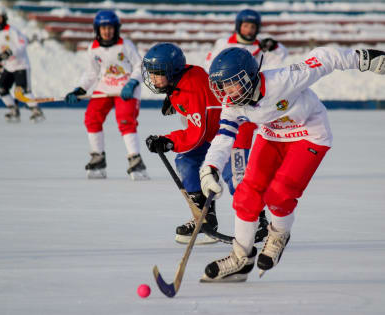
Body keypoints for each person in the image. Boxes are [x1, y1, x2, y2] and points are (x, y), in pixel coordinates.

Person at [198, 46, 385, 282]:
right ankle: (240, 258)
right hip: (272, 135)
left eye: (231, 84)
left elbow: (325, 58)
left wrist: (364, 59)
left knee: (279, 195)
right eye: (221, 86)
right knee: (246, 193)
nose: (226, 93)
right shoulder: (232, 103)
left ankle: (278, 235)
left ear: (249, 77)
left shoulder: (284, 80)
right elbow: (224, 136)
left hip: (310, 133)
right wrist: (210, 168)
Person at [142, 42, 265, 245]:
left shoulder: (193, 89)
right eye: (151, 72)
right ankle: (204, 218)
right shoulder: (181, 79)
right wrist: (172, 96)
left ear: (172, 72)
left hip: (234, 132)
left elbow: (196, 136)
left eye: (157, 73)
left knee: (235, 177)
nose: (152, 77)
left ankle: (259, 222)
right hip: (212, 133)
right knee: (187, 161)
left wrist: (168, 140)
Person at [204, 8, 289, 241]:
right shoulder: (224, 43)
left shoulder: (265, 48)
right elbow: (211, 69)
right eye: (246, 26)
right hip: (235, 111)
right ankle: (256, 216)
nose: (249, 30)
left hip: (256, 110)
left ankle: (259, 214)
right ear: (238, 26)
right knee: (237, 167)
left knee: (261, 165)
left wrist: (276, 48)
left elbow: (276, 69)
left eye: (253, 27)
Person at [64, 10, 149, 180]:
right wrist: (80, 89)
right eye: (103, 28)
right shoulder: (93, 48)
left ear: (116, 29)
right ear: (97, 29)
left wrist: (132, 83)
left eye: (110, 27)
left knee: (125, 119)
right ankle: (98, 157)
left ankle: (135, 159)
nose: (107, 31)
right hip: (105, 88)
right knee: (91, 117)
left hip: (126, 89)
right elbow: (91, 73)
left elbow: (141, 66)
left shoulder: (126, 45)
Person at [0, 7, 45, 123]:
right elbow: (3, 51)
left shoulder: (12, 30)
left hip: (21, 65)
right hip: (9, 67)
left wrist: (11, 52)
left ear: (4, 18)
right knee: (1, 88)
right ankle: (13, 110)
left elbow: (22, 43)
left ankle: (36, 110)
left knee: (23, 91)